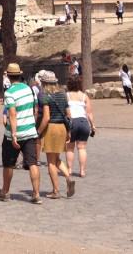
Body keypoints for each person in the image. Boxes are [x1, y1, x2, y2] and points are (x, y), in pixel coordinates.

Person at [0, 65, 44, 204]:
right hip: (30, 131)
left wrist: (14, 134)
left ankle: (5, 192)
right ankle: (36, 194)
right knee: (33, 163)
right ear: (20, 75)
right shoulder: (28, 89)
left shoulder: (9, 92)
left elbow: (12, 113)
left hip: (13, 134)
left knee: (8, 164)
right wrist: (32, 123)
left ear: (8, 76)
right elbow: (35, 108)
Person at [38, 71, 75, 199]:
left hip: (51, 128)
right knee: (56, 158)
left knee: (51, 162)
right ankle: (68, 178)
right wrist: (69, 131)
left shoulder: (44, 95)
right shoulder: (62, 94)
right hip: (62, 128)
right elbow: (68, 115)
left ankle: (56, 190)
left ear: (43, 82)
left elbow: (46, 117)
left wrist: (38, 132)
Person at [65, 76, 95, 178]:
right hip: (83, 122)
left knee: (70, 148)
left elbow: (65, 112)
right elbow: (89, 113)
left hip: (71, 122)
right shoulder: (84, 96)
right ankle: (82, 171)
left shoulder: (66, 96)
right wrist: (92, 125)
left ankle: (69, 169)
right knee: (82, 148)